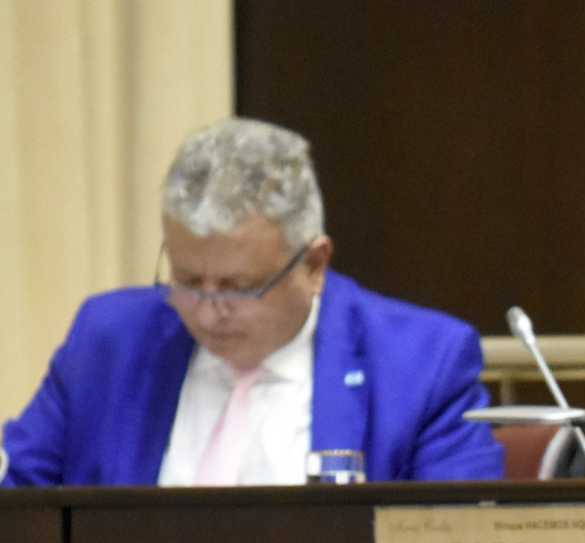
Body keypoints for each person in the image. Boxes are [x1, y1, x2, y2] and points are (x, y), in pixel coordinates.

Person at [1, 117, 501, 486]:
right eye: (188, 278)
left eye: (239, 288)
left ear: (314, 265)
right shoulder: (108, 342)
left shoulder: (422, 365)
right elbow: (20, 511)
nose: (206, 310)